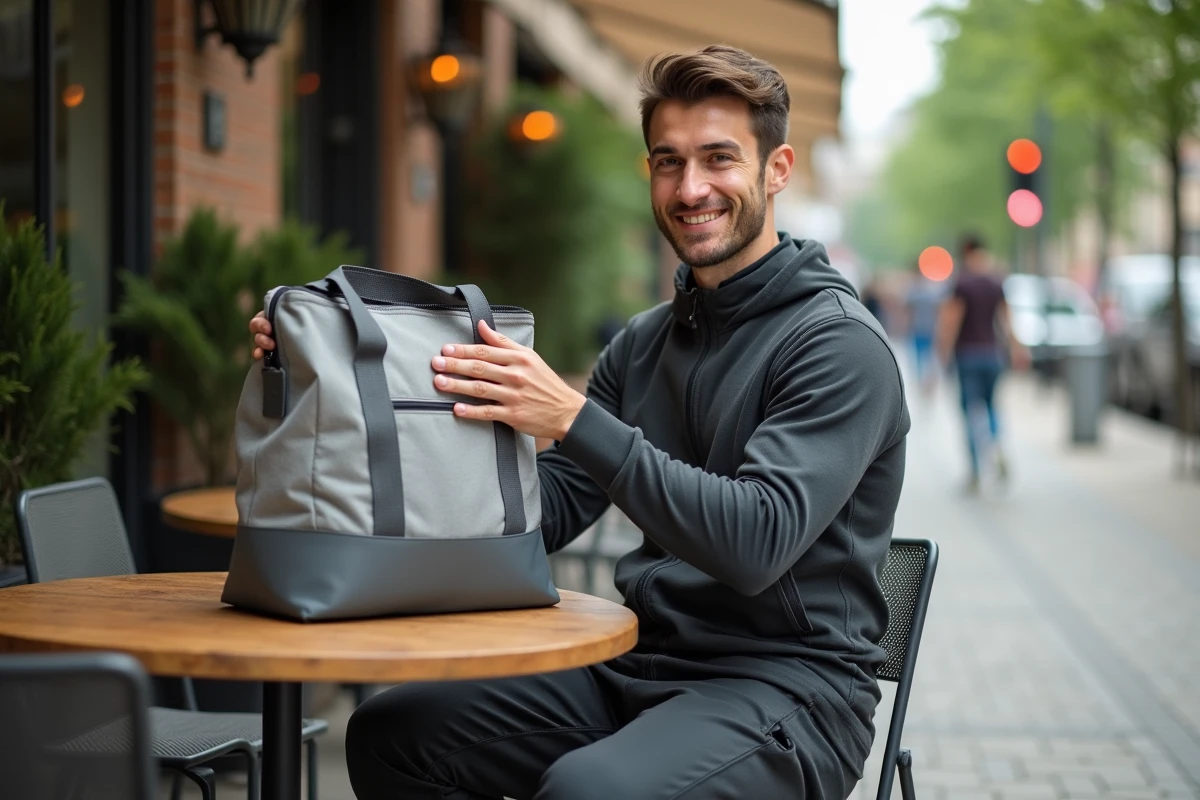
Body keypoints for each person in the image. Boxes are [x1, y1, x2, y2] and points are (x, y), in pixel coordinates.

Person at [250, 45, 909, 800]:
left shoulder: (838, 345)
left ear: (777, 168)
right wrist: (323, 374)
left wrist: (573, 417)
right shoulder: (645, 341)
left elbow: (756, 542)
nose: (691, 187)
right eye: (668, 161)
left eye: (718, 158)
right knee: (394, 735)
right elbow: (546, 510)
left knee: (587, 792)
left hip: (789, 693)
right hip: (641, 664)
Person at [935, 234, 1028, 491]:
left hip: (967, 355)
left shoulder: (961, 283)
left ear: (965, 252)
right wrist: (1017, 349)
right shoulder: (996, 280)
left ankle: (975, 471)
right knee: (991, 407)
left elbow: (951, 322)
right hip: (993, 354)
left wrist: (941, 355)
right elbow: (1006, 319)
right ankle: (997, 445)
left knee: (969, 412)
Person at [905, 262, 946, 397]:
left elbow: (908, 310)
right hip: (929, 329)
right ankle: (927, 384)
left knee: (919, 359)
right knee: (929, 359)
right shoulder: (933, 291)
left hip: (919, 329)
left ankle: (923, 384)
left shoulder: (914, 290)